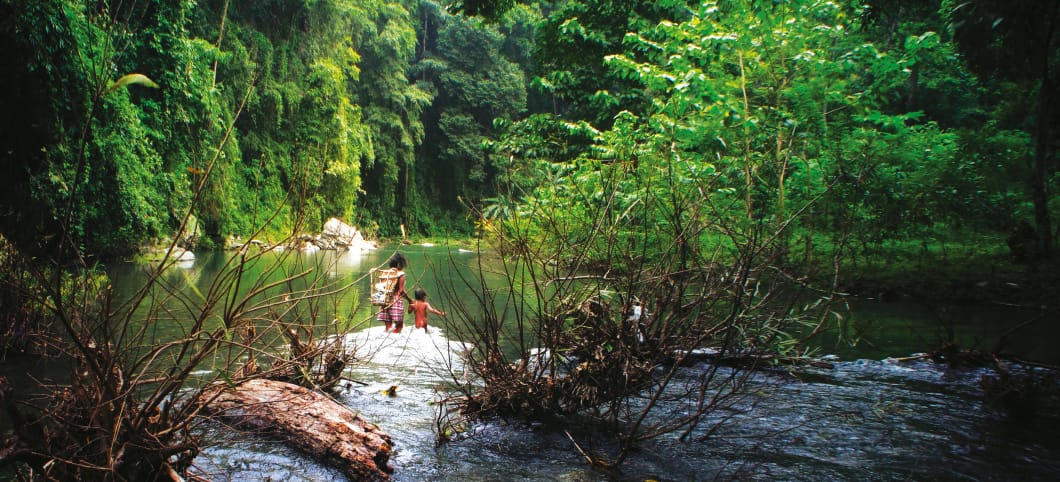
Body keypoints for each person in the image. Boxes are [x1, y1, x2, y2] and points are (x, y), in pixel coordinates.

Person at [376, 252, 410, 333]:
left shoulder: (385, 273)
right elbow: (401, 291)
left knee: (388, 328)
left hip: (384, 301)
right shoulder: (401, 274)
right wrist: (410, 300)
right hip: (395, 301)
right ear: (400, 264)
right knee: (399, 327)